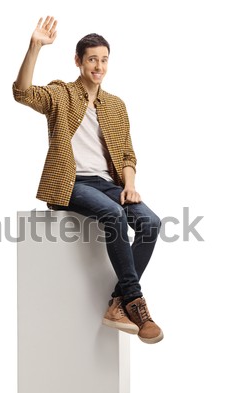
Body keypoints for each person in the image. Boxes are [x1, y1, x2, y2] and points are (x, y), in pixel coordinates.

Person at [13, 16, 163, 344]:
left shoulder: (115, 105)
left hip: (109, 184)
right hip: (70, 183)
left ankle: (117, 303)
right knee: (114, 215)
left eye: (104, 60)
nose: (99, 66)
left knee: (150, 222)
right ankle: (135, 302)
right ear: (78, 61)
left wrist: (129, 185)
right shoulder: (61, 94)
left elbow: (127, 154)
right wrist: (35, 46)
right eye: (92, 59)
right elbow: (22, 93)